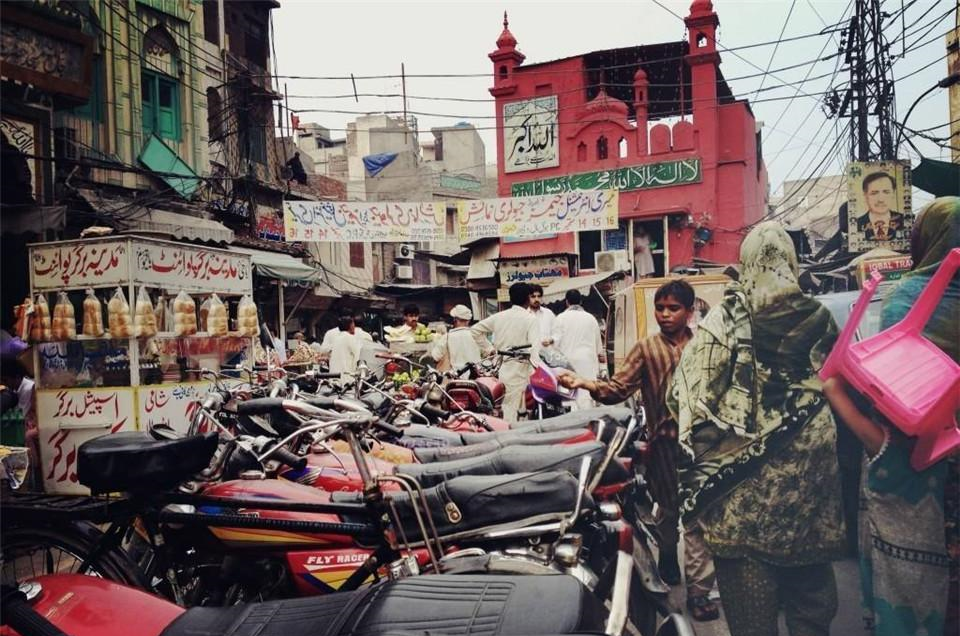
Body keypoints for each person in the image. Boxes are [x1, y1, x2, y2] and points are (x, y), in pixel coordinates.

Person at [669, 222, 845, 636]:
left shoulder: (724, 322)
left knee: (752, 620)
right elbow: (844, 385)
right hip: (811, 500)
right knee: (811, 613)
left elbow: (684, 399)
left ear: (745, 263)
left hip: (739, 507)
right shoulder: (819, 318)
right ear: (791, 263)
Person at [823, 196, 959, 636]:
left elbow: (888, 422)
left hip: (917, 477)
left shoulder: (909, 304)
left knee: (908, 596)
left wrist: (835, 388)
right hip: (940, 462)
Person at [558, 279, 718, 620]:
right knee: (670, 510)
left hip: (703, 445)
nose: (664, 314)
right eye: (660, 308)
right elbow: (618, 388)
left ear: (690, 312)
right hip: (664, 445)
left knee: (697, 518)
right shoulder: (647, 348)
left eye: (673, 308)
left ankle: (700, 591)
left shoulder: (706, 346)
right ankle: (669, 557)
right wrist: (584, 382)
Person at [471, 283, 540, 422]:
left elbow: (475, 330)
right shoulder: (531, 319)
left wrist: (490, 349)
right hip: (520, 370)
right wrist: (537, 371)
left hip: (502, 369)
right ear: (527, 299)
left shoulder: (499, 316)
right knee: (514, 410)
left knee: (506, 406)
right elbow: (535, 349)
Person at [551, 289, 603, 410]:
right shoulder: (591, 318)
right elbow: (598, 347)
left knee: (569, 396)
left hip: (567, 363)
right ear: (580, 301)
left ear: (567, 302)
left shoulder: (560, 318)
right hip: (587, 362)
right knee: (586, 394)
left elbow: (554, 344)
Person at [430, 305, 489, 372]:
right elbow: (489, 353)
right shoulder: (477, 335)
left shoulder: (447, 337)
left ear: (455, 319)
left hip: (457, 378)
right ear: (468, 321)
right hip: (476, 376)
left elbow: (435, 357)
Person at [855, 171, 907, 242]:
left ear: (893, 194)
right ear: (865, 195)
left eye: (886, 192)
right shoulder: (856, 225)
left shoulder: (905, 221)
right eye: (874, 193)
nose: (881, 199)